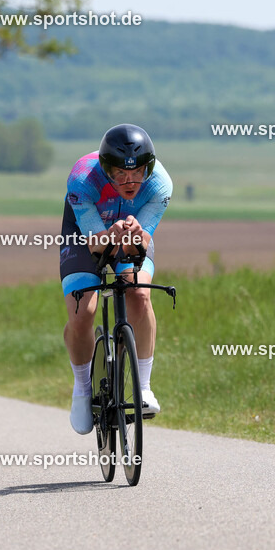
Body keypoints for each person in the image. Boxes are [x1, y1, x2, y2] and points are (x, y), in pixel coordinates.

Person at [59, 124, 172, 434]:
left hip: (127, 233)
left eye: (137, 173)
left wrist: (136, 235)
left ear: (148, 167)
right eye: (119, 173)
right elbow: (96, 244)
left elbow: (142, 246)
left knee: (139, 293)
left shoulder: (160, 185)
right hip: (86, 234)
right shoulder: (83, 180)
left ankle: (144, 387)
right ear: (105, 169)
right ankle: (82, 390)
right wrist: (111, 234)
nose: (129, 181)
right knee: (84, 313)